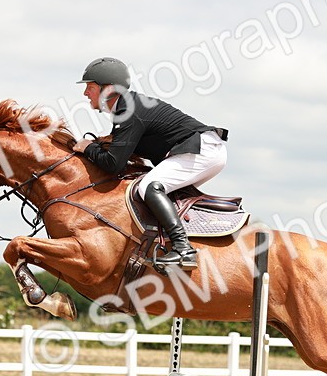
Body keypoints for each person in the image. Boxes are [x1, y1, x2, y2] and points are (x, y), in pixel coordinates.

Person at [72, 57, 228, 270]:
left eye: (90, 87)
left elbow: (113, 164)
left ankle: (184, 250)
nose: (85, 93)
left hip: (202, 150)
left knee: (149, 186)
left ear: (108, 89)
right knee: (153, 187)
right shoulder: (127, 108)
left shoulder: (129, 111)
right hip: (202, 149)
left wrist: (87, 148)